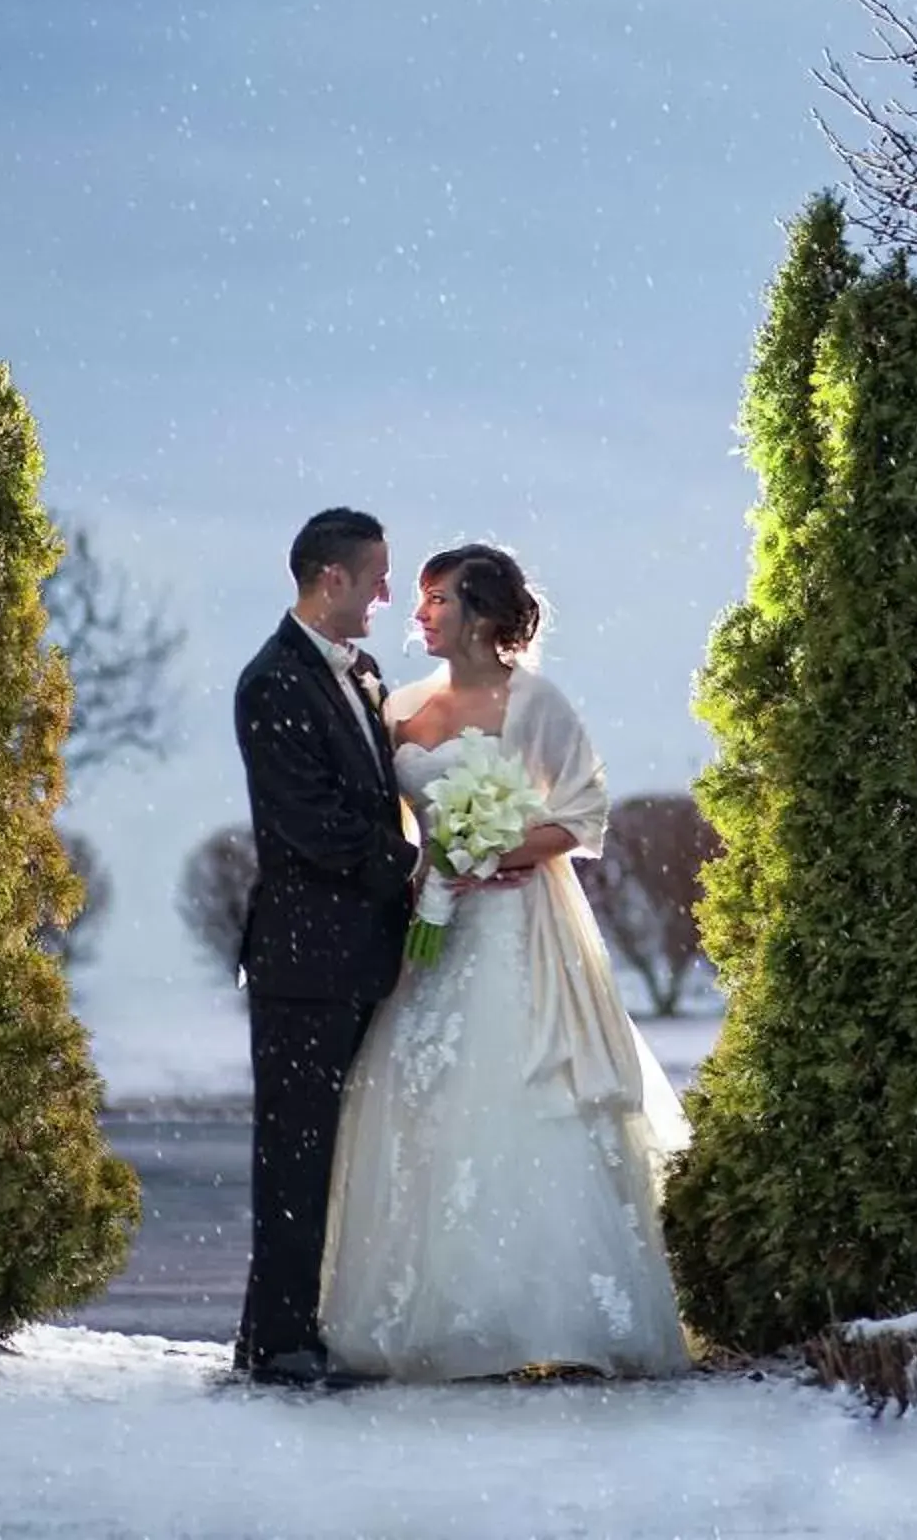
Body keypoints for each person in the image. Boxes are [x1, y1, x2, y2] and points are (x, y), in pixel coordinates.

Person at [319, 542, 690, 1380]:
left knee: (528, 1096)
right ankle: (434, 1320)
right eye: (418, 599)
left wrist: (495, 847)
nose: (420, 613)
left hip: (521, 930)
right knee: (421, 1097)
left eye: (437, 599)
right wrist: (429, 870)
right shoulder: (399, 706)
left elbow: (585, 813)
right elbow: (390, 819)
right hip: (435, 932)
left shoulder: (538, 704)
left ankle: (545, 1316)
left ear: (483, 615)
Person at [230, 508, 417, 1387]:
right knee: (295, 1153)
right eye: (378, 574)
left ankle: (313, 1322)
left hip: (362, 956)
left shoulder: (365, 672)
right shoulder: (271, 682)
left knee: (345, 1153)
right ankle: (278, 1343)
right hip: (304, 963)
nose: (388, 591)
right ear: (330, 578)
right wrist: (417, 866)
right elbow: (313, 828)